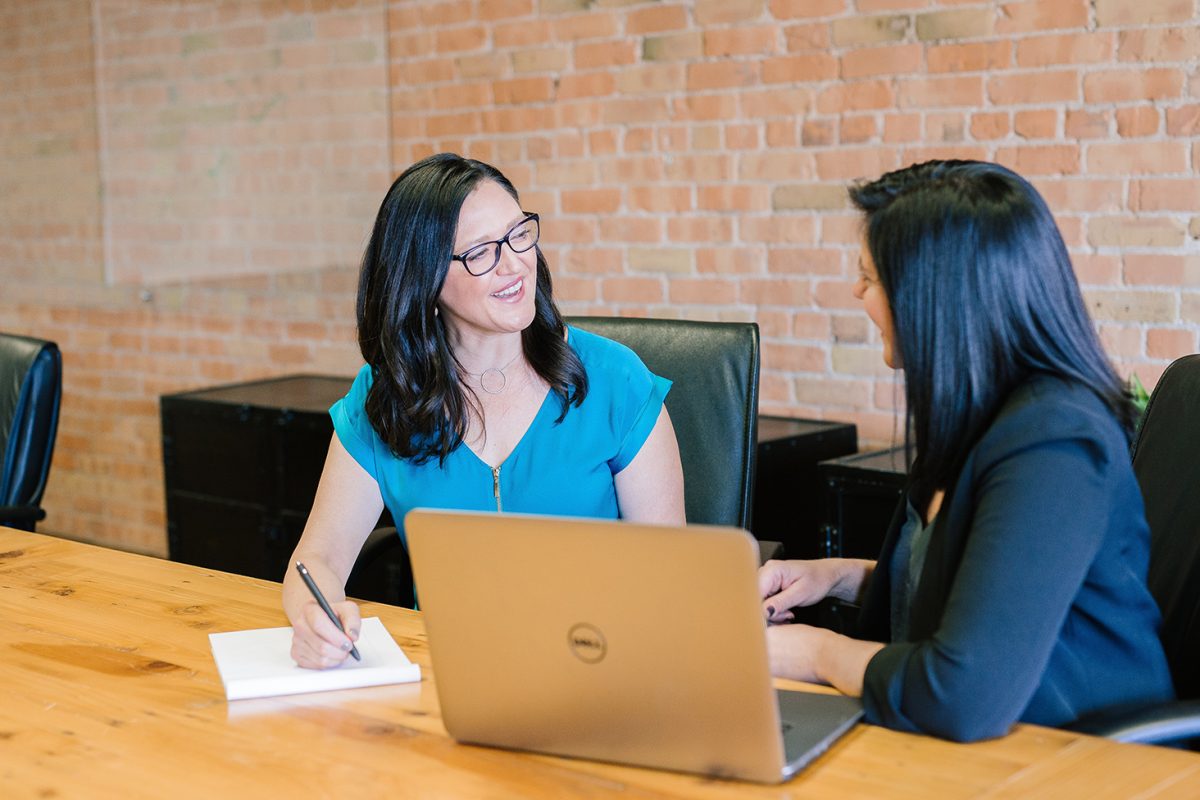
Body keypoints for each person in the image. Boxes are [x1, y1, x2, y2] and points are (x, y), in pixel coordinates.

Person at [759, 160, 1174, 742]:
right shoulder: (975, 415)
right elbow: (974, 586)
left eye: (870, 278)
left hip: (1078, 754)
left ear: (934, 298)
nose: (856, 292)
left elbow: (960, 694)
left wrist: (816, 653)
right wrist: (835, 577)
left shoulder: (1055, 443)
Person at [284, 153, 685, 669]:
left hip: (600, 666)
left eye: (520, 234)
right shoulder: (385, 399)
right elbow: (316, 559)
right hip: (449, 675)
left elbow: (671, 574)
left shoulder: (615, 381)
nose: (515, 263)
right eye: (480, 252)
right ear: (424, 280)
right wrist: (313, 620)